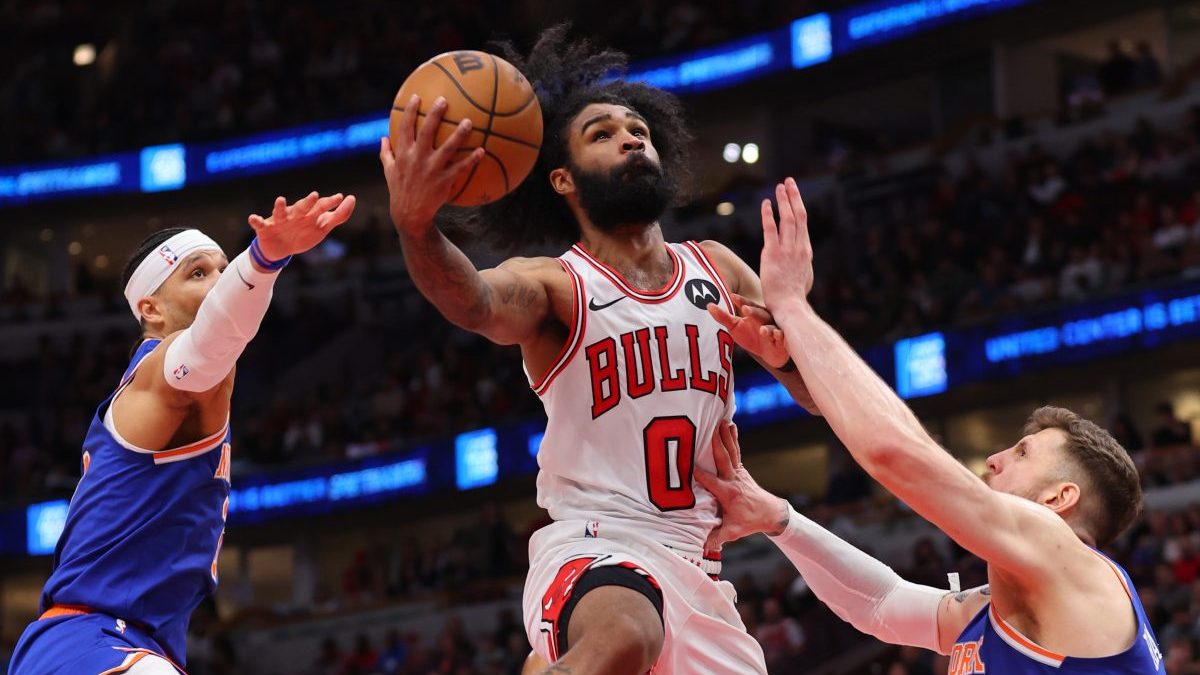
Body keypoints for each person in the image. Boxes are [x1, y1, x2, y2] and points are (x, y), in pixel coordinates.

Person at [380, 25, 814, 675]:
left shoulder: (719, 268)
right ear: (563, 178)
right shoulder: (557, 285)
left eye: (638, 130)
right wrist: (415, 227)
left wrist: (788, 349)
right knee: (624, 636)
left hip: (698, 567)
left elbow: (820, 396)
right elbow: (473, 301)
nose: (630, 138)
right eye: (602, 134)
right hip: (594, 544)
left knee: (629, 638)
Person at [698, 178, 1166, 672]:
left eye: (1023, 453)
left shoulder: (1062, 555)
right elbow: (880, 605)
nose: (994, 459)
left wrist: (794, 308)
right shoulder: (1013, 603)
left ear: (1058, 498)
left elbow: (893, 452)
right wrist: (780, 520)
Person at [9, 191, 356, 674]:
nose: (219, 281)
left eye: (223, 269)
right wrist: (263, 259)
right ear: (151, 309)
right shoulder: (160, 371)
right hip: (92, 640)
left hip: (105, 644)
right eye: (198, 273)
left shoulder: (194, 386)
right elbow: (210, 340)